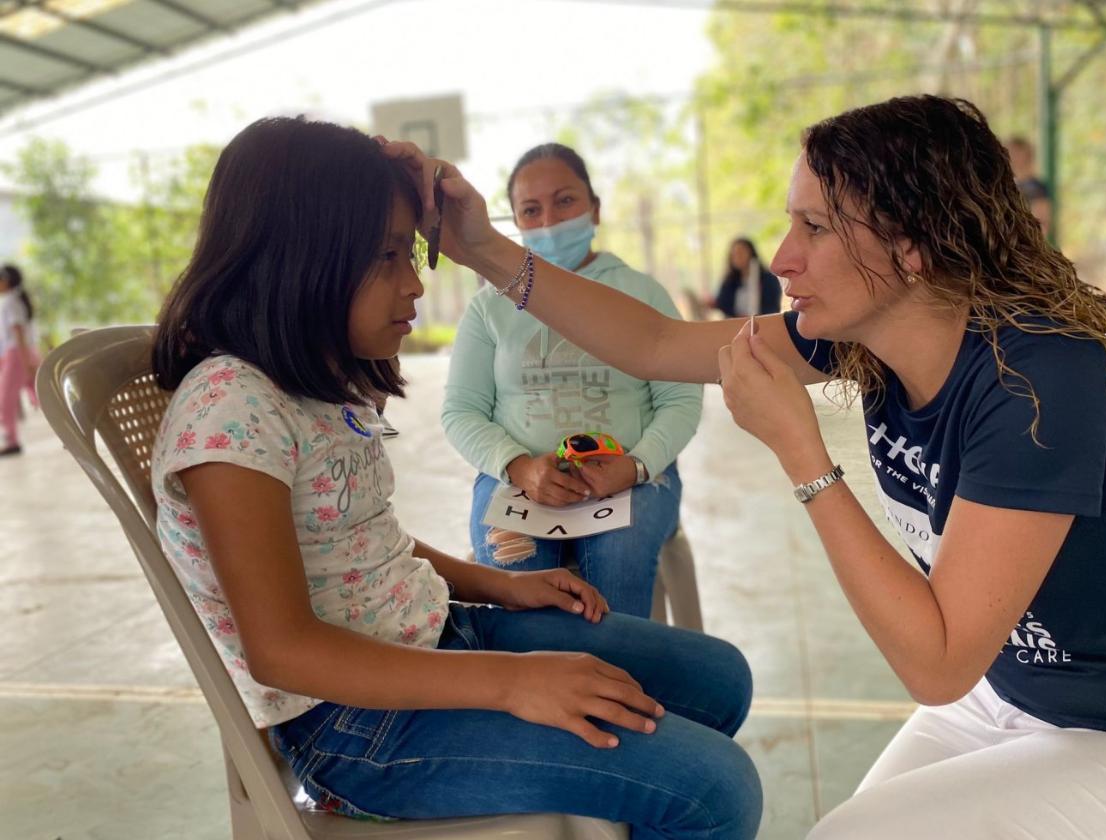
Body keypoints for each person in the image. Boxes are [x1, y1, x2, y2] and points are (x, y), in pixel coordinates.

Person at [392, 94, 1106, 839]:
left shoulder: (1040, 380)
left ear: (913, 247)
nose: (782, 257)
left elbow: (937, 661)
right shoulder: (865, 330)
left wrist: (802, 455)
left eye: (815, 228)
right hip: (1013, 691)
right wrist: (485, 250)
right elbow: (654, 344)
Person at [148, 116, 761, 839]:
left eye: (409, 251)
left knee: (720, 679)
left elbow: (363, 545)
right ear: (295, 256)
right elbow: (284, 648)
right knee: (715, 790)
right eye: (384, 257)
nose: (414, 282)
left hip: (438, 636)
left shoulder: (315, 386)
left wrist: (500, 584)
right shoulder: (229, 410)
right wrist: (511, 682)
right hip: (356, 730)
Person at [441, 142, 702, 618]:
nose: (549, 223)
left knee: (618, 556)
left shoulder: (642, 294)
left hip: (635, 478)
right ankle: (535, 688)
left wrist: (636, 466)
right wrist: (519, 467)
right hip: (516, 479)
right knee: (511, 561)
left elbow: (681, 399)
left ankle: (624, 687)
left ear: (595, 209)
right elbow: (461, 410)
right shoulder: (489, 306)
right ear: (515, 223)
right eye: (531, 210)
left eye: (565, 202)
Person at [0, 263, 39, 457]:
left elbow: (17, 331)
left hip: (18, 354)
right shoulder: (14, 300)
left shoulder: (9, 301)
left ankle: (12, 441)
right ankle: (73, 429)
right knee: (41, 394)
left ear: (5, 281)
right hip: (20, 353)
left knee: (5, 400)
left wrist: (25, 362)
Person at [708, 237, 782, 318]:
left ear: (751, 253)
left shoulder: (768, 279)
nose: (737, 257)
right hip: (734, 323)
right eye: (734, 254)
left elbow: (773, 307)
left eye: (740, 253)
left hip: (762, 324)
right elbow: (723, 303)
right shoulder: (730, 280)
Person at [1005, 136, 1053, 238]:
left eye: (1016, 153)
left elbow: (1042, 223)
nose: (1013, 157)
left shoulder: (1036, 188)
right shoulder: (1005, 185)